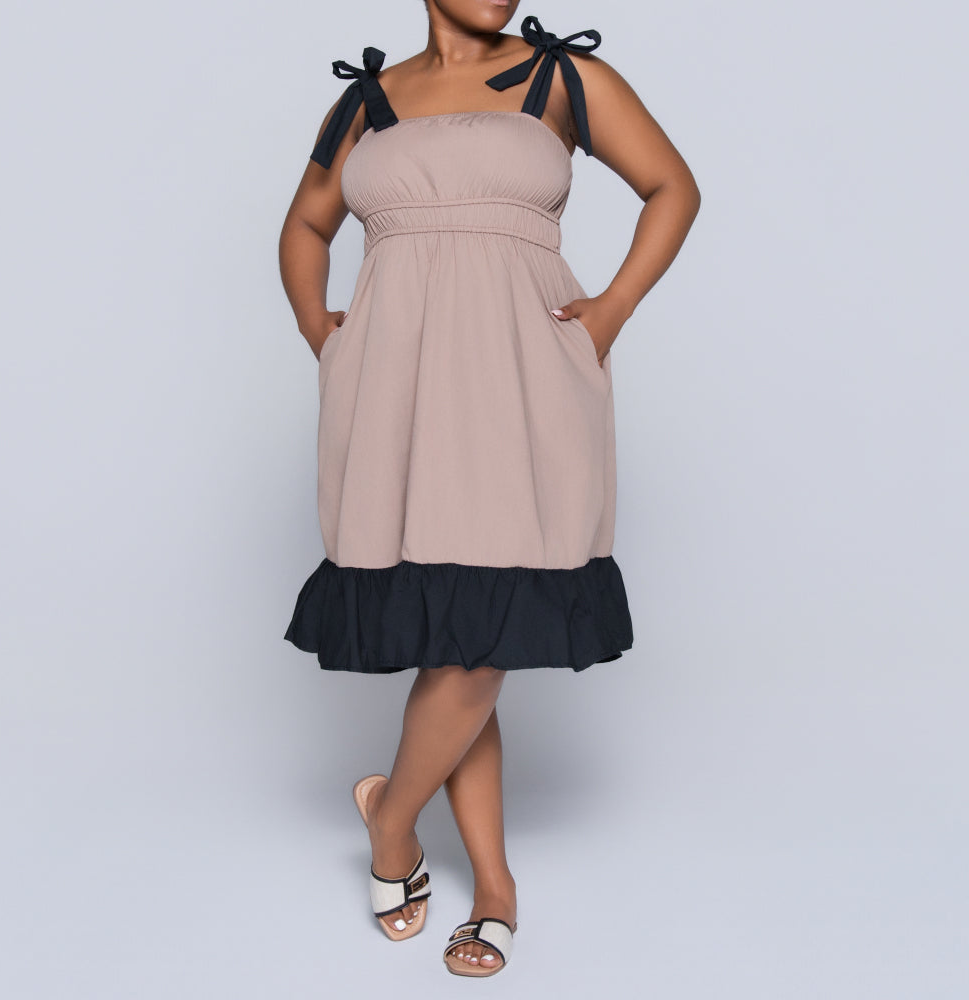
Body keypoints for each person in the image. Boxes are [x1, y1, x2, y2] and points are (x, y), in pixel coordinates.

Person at [278, 1, 700, 978]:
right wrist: (320, 332)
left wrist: (611, 311)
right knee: (457, 636)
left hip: (523, 380)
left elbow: (672, 187)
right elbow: (305, 223)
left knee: (485, 631)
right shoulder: (369, 100)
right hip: (393, 387)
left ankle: (391, 823)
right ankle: (496, 888)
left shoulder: (566, 80)